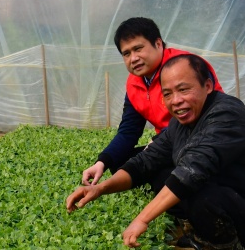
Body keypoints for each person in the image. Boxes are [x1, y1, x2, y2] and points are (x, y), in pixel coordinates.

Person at [66, 52, 245, 250]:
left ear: (207, 85)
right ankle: (209, 240)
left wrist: (142, 219)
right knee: (161, 174)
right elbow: (145, 162)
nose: (176, 101)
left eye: (184, 90)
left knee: (197, 192)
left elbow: (191, 172)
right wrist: (100, 188)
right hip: (238, 202)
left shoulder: (226, 113)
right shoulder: (180, 123)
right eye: (167, 93)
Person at [79, 17, 223, 187]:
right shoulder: (134, 83)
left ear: (158, 44)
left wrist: (159, 142)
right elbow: (128, 131)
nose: (133, 58)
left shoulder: (186, 67)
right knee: (119, 162)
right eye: (126, 53)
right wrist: (101, 163)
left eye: (138, 49)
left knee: (163, 175)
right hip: (167, 145)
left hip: (201, 140)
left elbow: (206, 116)